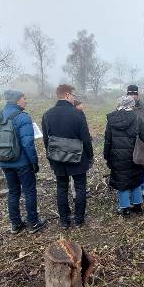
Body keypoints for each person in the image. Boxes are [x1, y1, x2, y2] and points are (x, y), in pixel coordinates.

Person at [0, 89, 47, 234]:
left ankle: (15, 224)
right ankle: (33, 223)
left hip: (4, 162)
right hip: (22, 163)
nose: (26, 101)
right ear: (17, 100)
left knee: (13, 192)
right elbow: (28, 143)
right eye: (24, 98)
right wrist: (34, 162)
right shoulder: (23, 117)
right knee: (29, 191)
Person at [42, 85, 94, 229]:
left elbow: (46, 140)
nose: (74, 98)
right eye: (73, 95)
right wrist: (90, 156)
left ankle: (64, 221)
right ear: (67, 95)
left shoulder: (47, 114)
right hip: (77, 157)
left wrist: (51, 157)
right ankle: (79, 219)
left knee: (61, 188)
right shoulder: (77, 113)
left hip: (58, 157)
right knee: (80, 187)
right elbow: (85, 138)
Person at [104, 95, 144, 217]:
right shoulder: (137, 119)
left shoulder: (111, 120)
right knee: (136, 180)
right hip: (135, 155)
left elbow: (108, 141)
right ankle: (138, 206)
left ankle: (125, 209)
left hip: (117, 156)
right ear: (131, 105)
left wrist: (107, 156)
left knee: (122, 182)